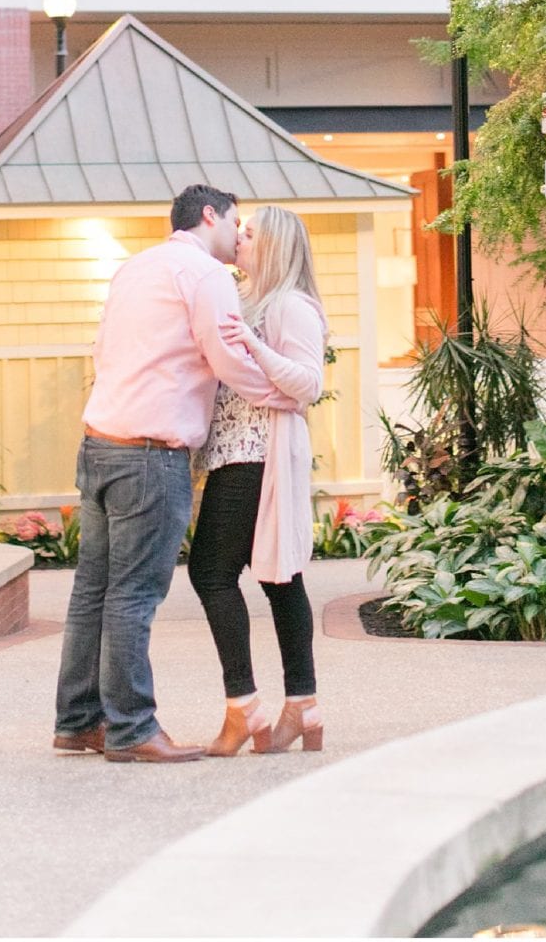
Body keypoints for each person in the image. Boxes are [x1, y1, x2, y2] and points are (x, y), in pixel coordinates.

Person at [52, 184, 294, 765]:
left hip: (101, 442)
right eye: (235, 223)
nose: (240, 236)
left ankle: (79, 721)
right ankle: (133, 729)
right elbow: (226, 356)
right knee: (134, 594)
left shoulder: (135, 268)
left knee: (92, 590)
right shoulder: (206, 276)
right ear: (208, 215)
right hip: (150, 454)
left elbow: (103, 350)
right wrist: (280, 394)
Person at [188, 204, 327, 757]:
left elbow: (308, 384)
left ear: (274, 246)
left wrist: (253, 342)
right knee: (278, 577)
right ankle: (303, 704)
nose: (239, 239)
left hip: (255, 455)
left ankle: (245, 705)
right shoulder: (249, 298)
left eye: (249, 234)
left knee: (211, 573)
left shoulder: (291, 305)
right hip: (237, 452)